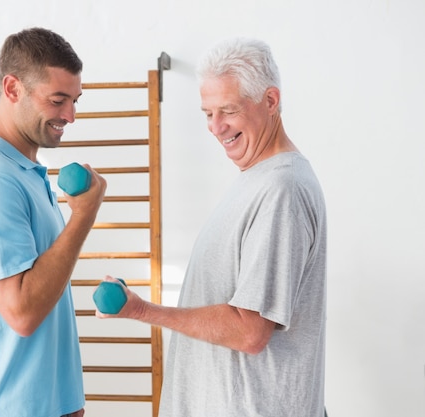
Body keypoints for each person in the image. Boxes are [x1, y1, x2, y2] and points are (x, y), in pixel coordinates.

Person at [97, 38, 327, 416]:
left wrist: (143, 311)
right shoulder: (257, 179)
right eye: (208, 113)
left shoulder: (281, 188)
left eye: (228, 111)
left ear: (271, 101)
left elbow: (249, 331)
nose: (216, 127)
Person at [0, 27, 106, 417]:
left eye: (75, 100)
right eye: (58, 100)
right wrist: (83, 217)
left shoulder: (22, 173)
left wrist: (67, 404)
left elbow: (42, 303)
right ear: (12, 89)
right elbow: (23, 312)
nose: (71, 115)